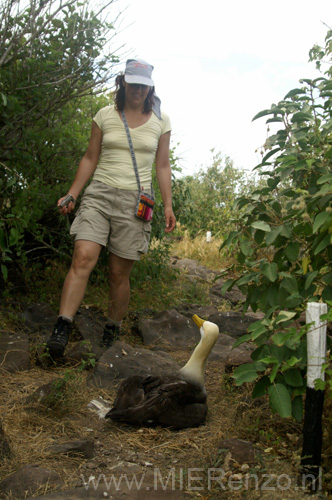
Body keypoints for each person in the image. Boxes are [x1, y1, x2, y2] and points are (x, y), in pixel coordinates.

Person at [46, 58, 176, 358]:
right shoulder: (105, 115)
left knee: (118, 273)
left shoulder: (161, 121)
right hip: (100, 194)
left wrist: (168, 205)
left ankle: (112, 329)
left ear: (150, 87)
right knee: (83, 257)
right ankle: (62, 327)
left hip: (136, 201)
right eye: (134, 84)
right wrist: (72, 194)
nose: (138, 91)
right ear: (123, 83)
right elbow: (90, 157)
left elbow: (163, 164)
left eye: (144, 86)